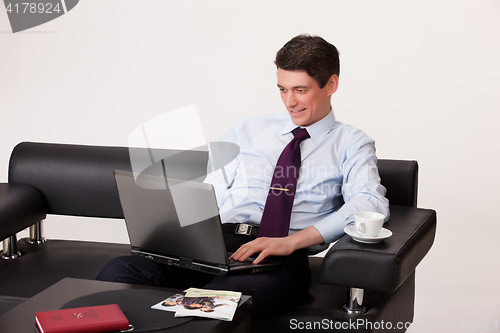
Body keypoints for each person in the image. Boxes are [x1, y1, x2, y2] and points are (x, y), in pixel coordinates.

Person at [96, 34, 389, 319]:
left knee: (213, 303)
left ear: (331, 84)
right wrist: (179, 235)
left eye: (300, 90)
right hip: (216, 245)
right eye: (282, 89)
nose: (290, 102)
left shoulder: (352, 143)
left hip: (279, 259)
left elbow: (368, 204)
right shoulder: (247, 129)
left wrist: (293, 241)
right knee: (118, 272)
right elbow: (212, 189)